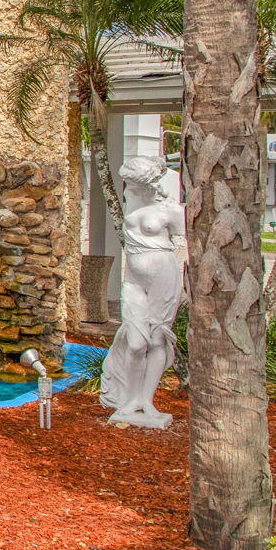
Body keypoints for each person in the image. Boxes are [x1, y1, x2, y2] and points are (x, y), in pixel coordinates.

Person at [99, 155, 185, 429]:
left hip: (164, 277)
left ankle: (146, 400)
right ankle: (131, 399)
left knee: (157, 340)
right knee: (135, 343)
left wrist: (185, 289)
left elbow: (182, 248)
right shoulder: (131, 198)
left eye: (134, 182)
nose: (129, 186)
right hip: (133, 278)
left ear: (149, 182)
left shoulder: (172, 210)